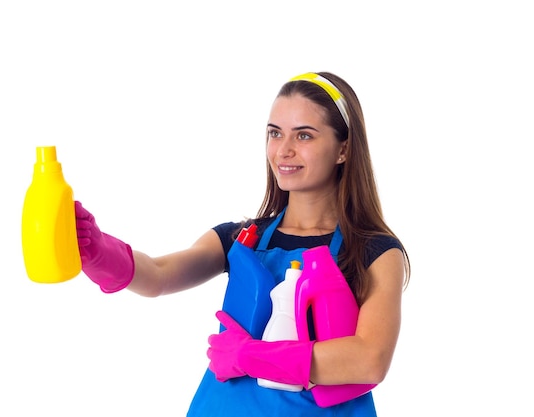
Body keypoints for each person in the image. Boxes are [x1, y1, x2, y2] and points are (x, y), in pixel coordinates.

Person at [75, 71, 411, 416]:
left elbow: (370, 359)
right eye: (275, 133)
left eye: (304, 135)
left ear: (343, 149)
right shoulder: (241, 239)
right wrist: (97, 250)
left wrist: (249, 356)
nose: (284, 150)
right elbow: (158, 275)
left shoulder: (373, 251)